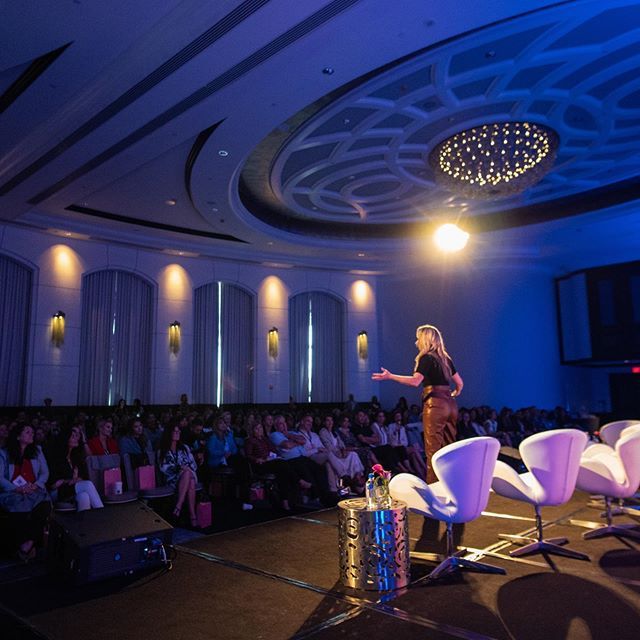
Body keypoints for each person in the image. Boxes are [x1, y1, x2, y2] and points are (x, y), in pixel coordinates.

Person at [372, 324, 463, 483]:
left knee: (433, 450)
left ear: (426, 339)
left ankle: (435, 490)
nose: (416, 342)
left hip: (435, 404)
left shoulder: (426, 358)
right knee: (449, 448)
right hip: (450, 404)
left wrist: (390, 376)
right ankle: (453, 485)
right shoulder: (446, 359)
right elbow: (460, 383)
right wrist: (453, 394)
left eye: (418, 338)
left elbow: (415, 381)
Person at [0, 424, 51, 561]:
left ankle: (26, 545)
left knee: (44, 506)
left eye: (32, 432)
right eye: (27, 432)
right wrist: (16, 488)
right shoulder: (4, 453)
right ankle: (24, 546)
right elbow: (0, 478)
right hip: (13, 491)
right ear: (18, 436)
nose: (32, 434)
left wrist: (36, 485)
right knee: (18, 506)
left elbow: (45, 472)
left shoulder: (37, 451)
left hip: (34, 490)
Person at [48, 425, 104, 511]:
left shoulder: (76, 457)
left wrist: (77, 479)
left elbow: (83, 477)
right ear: (66, 439)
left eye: (76, 436)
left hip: (71, 489)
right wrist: (69, 481)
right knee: (88, 485)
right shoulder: (56, 458)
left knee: (83, 496)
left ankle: (85, 523)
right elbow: (53, 485)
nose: (76, 438)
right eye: (73, 437)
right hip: (57, 491)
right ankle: (102, 515)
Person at [158, 424, 198, 526]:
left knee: (189, 474)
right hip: (172, 478)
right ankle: (192, 516)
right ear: (169, 433)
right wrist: (180, 468)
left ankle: (178, 507)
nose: (177, 433)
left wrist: (186, 468)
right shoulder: (163, 450)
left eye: (179, 431)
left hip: (188, 474)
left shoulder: (185, 448)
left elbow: (193, 464)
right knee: (191, 480)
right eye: (175, 431)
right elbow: (164, 468)